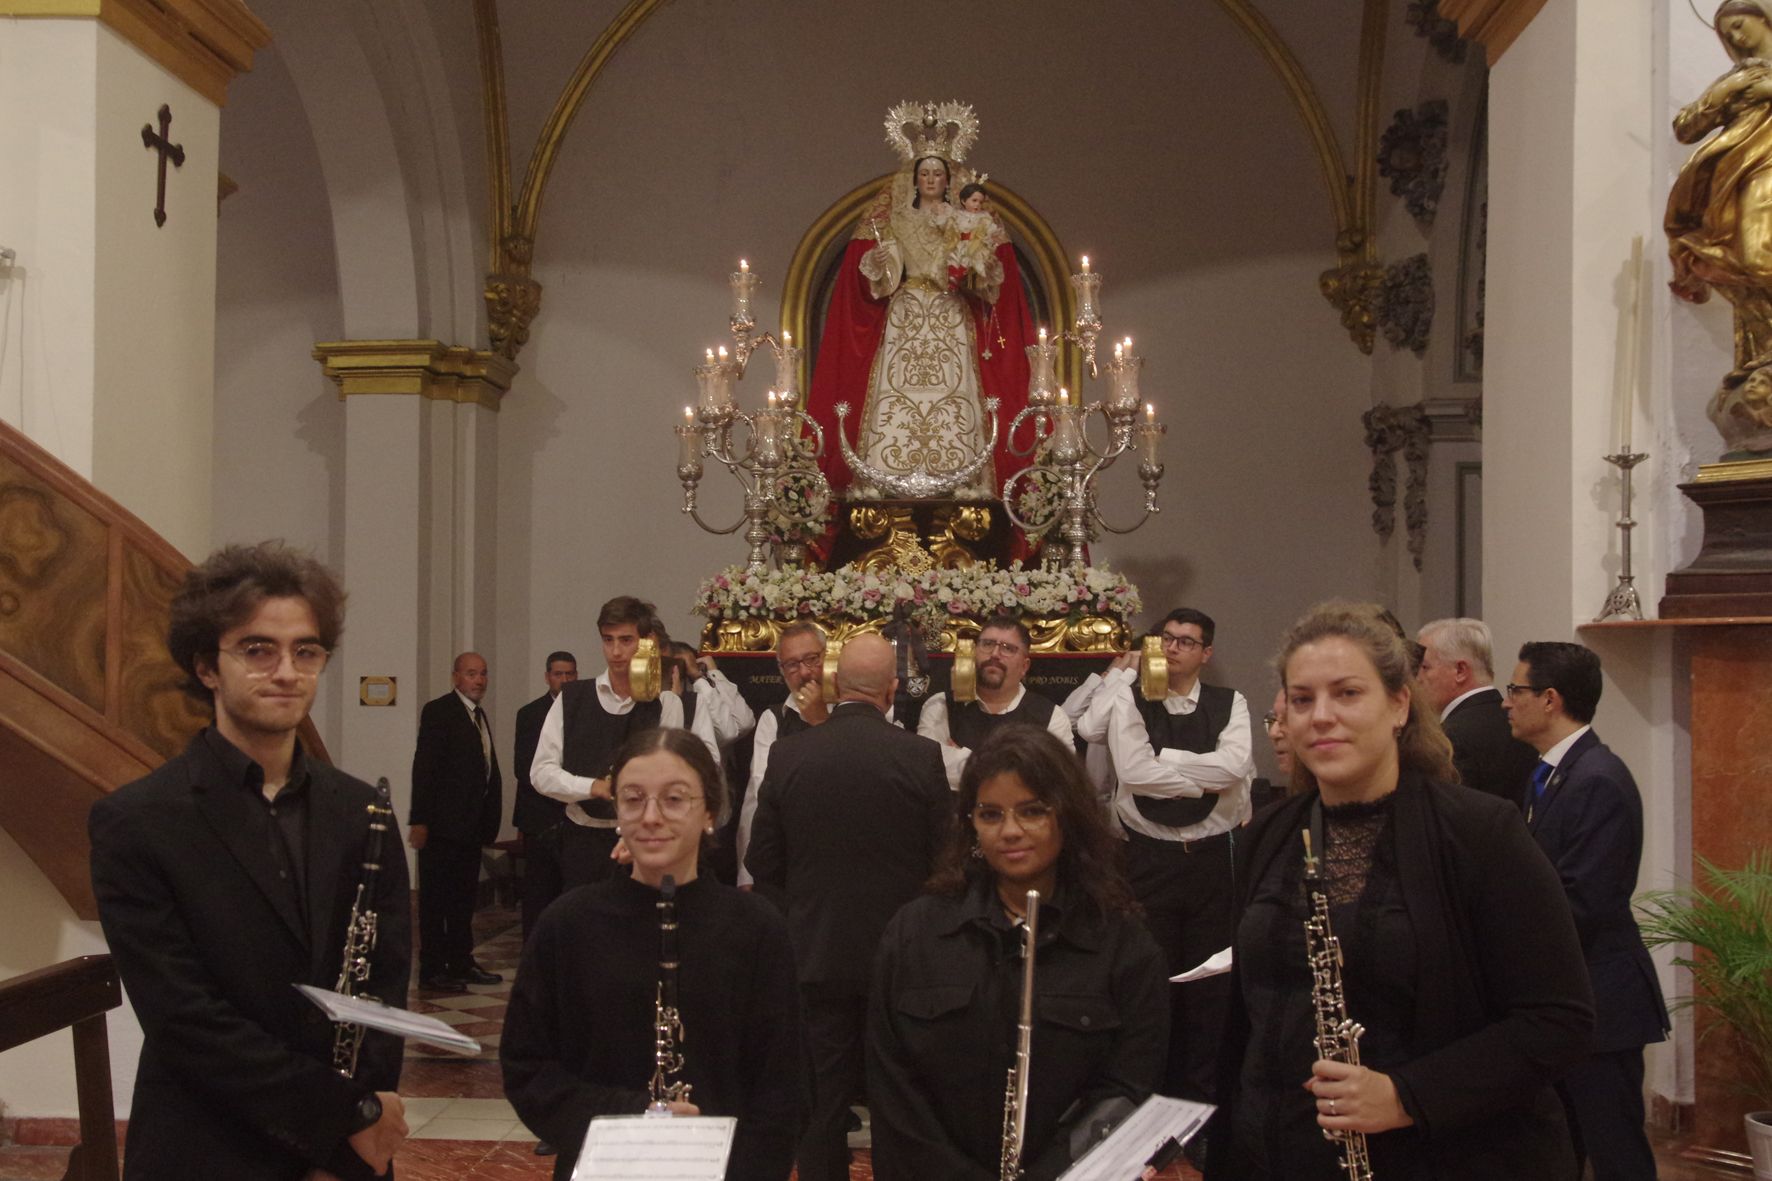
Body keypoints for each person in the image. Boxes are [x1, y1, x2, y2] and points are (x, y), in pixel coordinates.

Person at [1204, 602, 1595, 1180]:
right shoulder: (1270, 834)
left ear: (1399, 705)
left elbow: (1558, 1022)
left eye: (1347, 694)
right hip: (1276, 1155)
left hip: (1433, 1158)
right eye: (1302, 699)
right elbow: (1251, 1022)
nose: (1321, 716)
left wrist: (1406, 1095)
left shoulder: (1480, 832)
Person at [89, 541, 410, 1180]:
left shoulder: (361, 809)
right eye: (258, 649)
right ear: (208, 666)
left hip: (349, 1148)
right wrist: (334, 1118)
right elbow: (184, 1018)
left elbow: (382, 990)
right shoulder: (137, 821)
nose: (287, 671)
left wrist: (360, 1125)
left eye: (306, 651)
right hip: (207, 1145)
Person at [868, 726, 1170, 1180]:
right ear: (969, 822)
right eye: (990, 815)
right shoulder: (915, 933)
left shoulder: (1122, 943)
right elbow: (894, 1093)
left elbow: (1127, 1086)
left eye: (1032, 812)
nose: (1010, 831)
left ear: (1068, 818)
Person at [502, 728, 804, 1181]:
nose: (650, 817)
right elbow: (528, 1069)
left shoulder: (757, 928)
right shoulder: (567, 925)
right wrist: (632, 1118)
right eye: (633, 799)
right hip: (602, 1167)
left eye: (675, 799)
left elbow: (787, 1085)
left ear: (710, 812)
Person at [746, 633, 952, 1181]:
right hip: (900, 959)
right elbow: (947, 864)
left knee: (821, 1103)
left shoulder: (789, 754)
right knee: (898, 1100)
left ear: (835, 685)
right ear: (892, 690)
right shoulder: (920, 755)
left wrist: (803, 909)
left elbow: (760, 859)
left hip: (815, 954)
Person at [803, 104, 1036, 499]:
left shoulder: (965, 220)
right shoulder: (896, 219)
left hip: (950, 314)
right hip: (906, 315)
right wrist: (878, 263)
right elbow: (885, 268)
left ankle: (965, 480)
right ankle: (884, 478)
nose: (930, 180)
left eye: (937, 174)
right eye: (924, 174)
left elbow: (989, 278)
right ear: (914, 180)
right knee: (893, 394)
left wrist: (974, 266)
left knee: (957, 393)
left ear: (948, 181)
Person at [1070, 607, 1254, 1106]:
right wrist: (1201, 777)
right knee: (1150, 978)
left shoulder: (1228, 701)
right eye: (1167, 638)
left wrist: (1166, 759)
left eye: (1186, 642)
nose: (1173, 648)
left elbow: (1236, 765)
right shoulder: (1131, 697)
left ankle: (1199, 1101)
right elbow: (1134, 773)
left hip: (1213, 861)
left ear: (1206, 653)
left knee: (1209, 983)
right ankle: (1144, 1099)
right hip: (1150, 859)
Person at [1505, 641, 1669, 1181]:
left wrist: (1501, 936)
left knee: (1615, 1150)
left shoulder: (1597, 778)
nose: (1507, 702)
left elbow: (1584, 902)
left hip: (1604, 1001)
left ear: (1550, 699)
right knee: (1563, 1144)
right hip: (1573, 997)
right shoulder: (1555, 773)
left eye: (1516, 690)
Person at [530, 596, 719, 890]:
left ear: (646, 642)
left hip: (649, 838)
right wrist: (593, 786)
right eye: (608, 640)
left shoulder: (668, 701)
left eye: (626, 640)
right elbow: (541, 772)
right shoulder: (573, 698)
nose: (615, 652)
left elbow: (672, 773)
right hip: (585, 840)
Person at [1668, 1, 1772, 452]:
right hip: (1747, 173)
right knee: (1755, 257)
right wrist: (1733, 91)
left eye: (1740, 24)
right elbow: (1686, 127)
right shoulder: (1738, 78)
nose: (1735, 36)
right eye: (1726, 31)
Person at [409, 651, 504, 992]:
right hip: (441, 828)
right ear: (455, 677)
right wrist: (419, 820)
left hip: (469, 828)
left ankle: (461, 962)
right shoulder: (440, 712)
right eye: (471, 674)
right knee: (436, 902)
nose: (479, 680)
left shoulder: (477, 715)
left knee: (463, 901)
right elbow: (425, 770)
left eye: (483, 673)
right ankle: (433, 969)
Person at [917, 613, 1075, 790]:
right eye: (987, 644)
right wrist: (1020, 770)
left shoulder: (1051, 716)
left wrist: (963, 760)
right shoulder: (940, 706)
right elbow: (928, 768)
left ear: (1024, 666)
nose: (995, 654)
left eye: (1008, 648)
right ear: (974, 652)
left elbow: (1059, 780)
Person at [735, 620, 829, 888]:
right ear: (781, 671)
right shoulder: (774, 719)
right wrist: (746, 875)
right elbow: (759, 795)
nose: (804, 672)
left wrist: (819, 721)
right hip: (785, 860)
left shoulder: (853, 709)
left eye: (812, 659)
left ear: (828, 658)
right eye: (792, 665)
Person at [1416, 617, 1539, 806]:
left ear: (1460, 670)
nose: (1417, 678)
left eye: (1425, 667)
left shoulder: (1451, 737)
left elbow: (1450, 820)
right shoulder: (1521, 723)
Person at [514, 649, 578, 938]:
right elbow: (525, 768)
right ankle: (533, 951)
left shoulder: (584, 709)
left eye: (569, 674)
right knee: (539, 890)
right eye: (558, 674)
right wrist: (560, 790)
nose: (564, 679)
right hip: (540, 815)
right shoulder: (529, 714)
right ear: (547, 677)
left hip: (574, 813)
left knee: (571, 889)